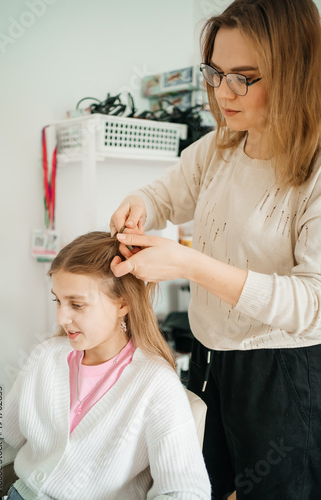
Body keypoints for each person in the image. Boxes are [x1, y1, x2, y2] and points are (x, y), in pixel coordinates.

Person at [109, 0, 321, 498]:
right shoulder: (220, 145)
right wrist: (137, 202)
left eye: (245, 77)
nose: (224, 93)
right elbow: (164, 195)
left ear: (297, 72)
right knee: (204, 482)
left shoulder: (313, 169)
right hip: (209, 357)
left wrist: (188, 264)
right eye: (215, 73)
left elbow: (312, 305)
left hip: (282, 373)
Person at [0, 232, 211, 500]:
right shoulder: (45, 356)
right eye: (57, 300)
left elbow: (185, 492)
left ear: (123, 304)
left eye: (77, 305)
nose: (62, 317)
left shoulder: (156, 383)